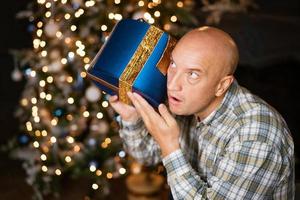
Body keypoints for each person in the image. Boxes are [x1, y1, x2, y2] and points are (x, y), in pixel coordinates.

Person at [109, 26, 295, 199]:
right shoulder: (186, 101)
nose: (172, 85)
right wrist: (131, 118)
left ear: (221, 85)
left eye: (193, 74)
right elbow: (147, 155)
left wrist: (170, 146)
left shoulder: (257, 135)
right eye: (173, 64)